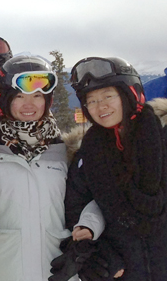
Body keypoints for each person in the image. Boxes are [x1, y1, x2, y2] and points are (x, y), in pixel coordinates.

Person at [0, 56, 74, 280]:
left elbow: (79, 211)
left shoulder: (64, 151)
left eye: (37, 96)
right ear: (5, 100)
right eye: (19, 97)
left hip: (54, 268)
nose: (29, 104)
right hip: (1, 269)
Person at [63, 57, 167, 280]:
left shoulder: (160, 140)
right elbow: (75, 210)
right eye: (91, 101)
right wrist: (97, 252)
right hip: (124, 270)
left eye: (108, 96)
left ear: (129, 94)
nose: (100, 107)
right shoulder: (87, 155)